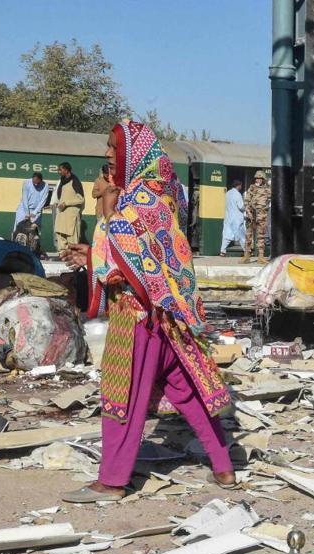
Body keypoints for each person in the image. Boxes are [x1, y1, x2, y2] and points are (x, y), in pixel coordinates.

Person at [59, 120, 234, 503]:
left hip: (137, 317)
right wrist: (93, 256)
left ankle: (112, 480)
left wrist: (96, 258)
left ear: (132, 156)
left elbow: (124, 263)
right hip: (168, 320)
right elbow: (151, 258)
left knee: (122, 397)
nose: (107, 155)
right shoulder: (162, 198)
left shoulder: (137, 203)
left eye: (113, 148)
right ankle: (223, 465)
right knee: (186, 391)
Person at [54, 162, 86, 253]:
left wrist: (66, 203)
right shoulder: (62, 181)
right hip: (61, 213)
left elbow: (81, 199)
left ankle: (73, 255)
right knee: (60, 234)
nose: (59, 171)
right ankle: (62, 254)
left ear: (66, 170)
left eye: (60, 169)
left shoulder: (75, 181)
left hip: (71, 215)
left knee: (71, 237)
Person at [14, 172, 51, 246]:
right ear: (32, 179)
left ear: (41, 180)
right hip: (24, 208)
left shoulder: (45, 186)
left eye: (38, 183)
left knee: (34, 230)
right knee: (18, 227)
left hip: (36, 210)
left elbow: (43, 200)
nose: (36, 185)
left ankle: (34, 248)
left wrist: (35, 212)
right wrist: (27, 213)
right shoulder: (26, 183)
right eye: (34, 183)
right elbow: (25, 198)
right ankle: (16, 245)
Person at [242, 171, 270, 264]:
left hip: (261, 216)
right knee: (248, 235)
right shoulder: (252, 188)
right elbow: (246, 200)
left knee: (261, 236)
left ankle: (261, 257)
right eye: (256, 178)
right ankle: (246, 256)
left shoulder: (268, 189)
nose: (258, 180)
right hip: (251, 215)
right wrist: (247, 210)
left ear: (263, 179)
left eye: (260, 178)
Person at [218, 179, 246, 255]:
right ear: (238, 185)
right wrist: (246, 206)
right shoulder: (238, 194)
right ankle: (246, 251)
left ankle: (222, 251)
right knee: (241, 236)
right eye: (241, 185)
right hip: (237, 218)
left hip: (228, 218)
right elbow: (241, 207)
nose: (241, 187)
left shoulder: (228, 193)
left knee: (227, 235)